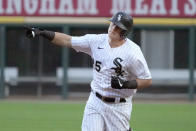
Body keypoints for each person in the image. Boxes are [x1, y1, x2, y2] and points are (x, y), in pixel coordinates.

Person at [25, 12, 152, 131]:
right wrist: (42, 32)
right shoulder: (96, 41)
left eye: (118, 27)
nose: (113, 28)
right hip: (95, 101)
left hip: (119, 106)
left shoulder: (133, 52)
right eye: (113, 24)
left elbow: (146, 80)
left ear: (125, 32)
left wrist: (125, 84)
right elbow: (68, 40)